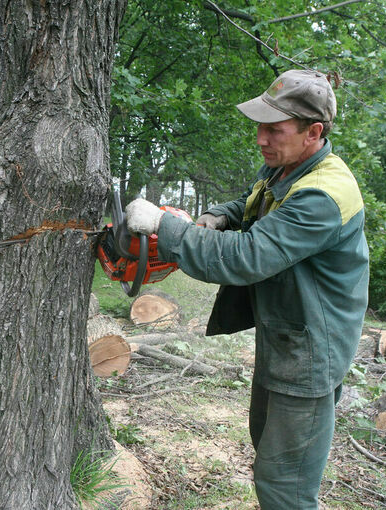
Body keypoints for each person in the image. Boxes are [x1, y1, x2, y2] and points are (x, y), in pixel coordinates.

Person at [124, 69, 369, 509]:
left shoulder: (324, 194)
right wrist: (216, 217)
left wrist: (166, 227)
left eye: (274, 129)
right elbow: (251, 202)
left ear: (313, 132)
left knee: (285, 486)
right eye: (260, 126)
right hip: (286, 337)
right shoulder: (287, 168)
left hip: (311, 351)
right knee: (269, 458)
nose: (261, 138)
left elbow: (247, 257)